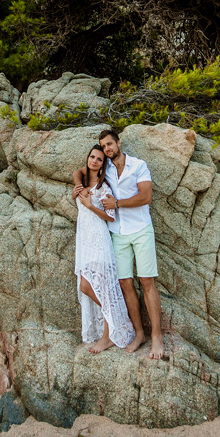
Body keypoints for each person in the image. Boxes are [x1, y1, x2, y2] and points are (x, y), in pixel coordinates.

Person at [73, 129, 165, 360]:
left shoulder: (138, 165)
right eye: (104, 147)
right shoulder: (106, 169)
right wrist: (79, 186)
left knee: (147, 281)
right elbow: (81, 171)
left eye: (110, 145)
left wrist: (117, 203)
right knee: (124, 284)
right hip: (117, 234)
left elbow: (146, 197)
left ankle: (157, 336)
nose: (107, 149)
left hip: (141, 229)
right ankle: (139, 333)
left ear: (118, 143)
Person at [72, 145, 136, 353]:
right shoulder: (81, 183)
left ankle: (109, 333)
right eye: (92, 157)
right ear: (87, 158)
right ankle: (117, 318)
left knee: (99, 287)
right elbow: (77, 173)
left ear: (103, 164)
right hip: (84, 240)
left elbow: (111, 217)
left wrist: (92, 206)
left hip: (99, 239)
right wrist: (76, 191)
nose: (94, 161)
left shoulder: (104, 188)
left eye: (99, 159)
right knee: (85, 286)